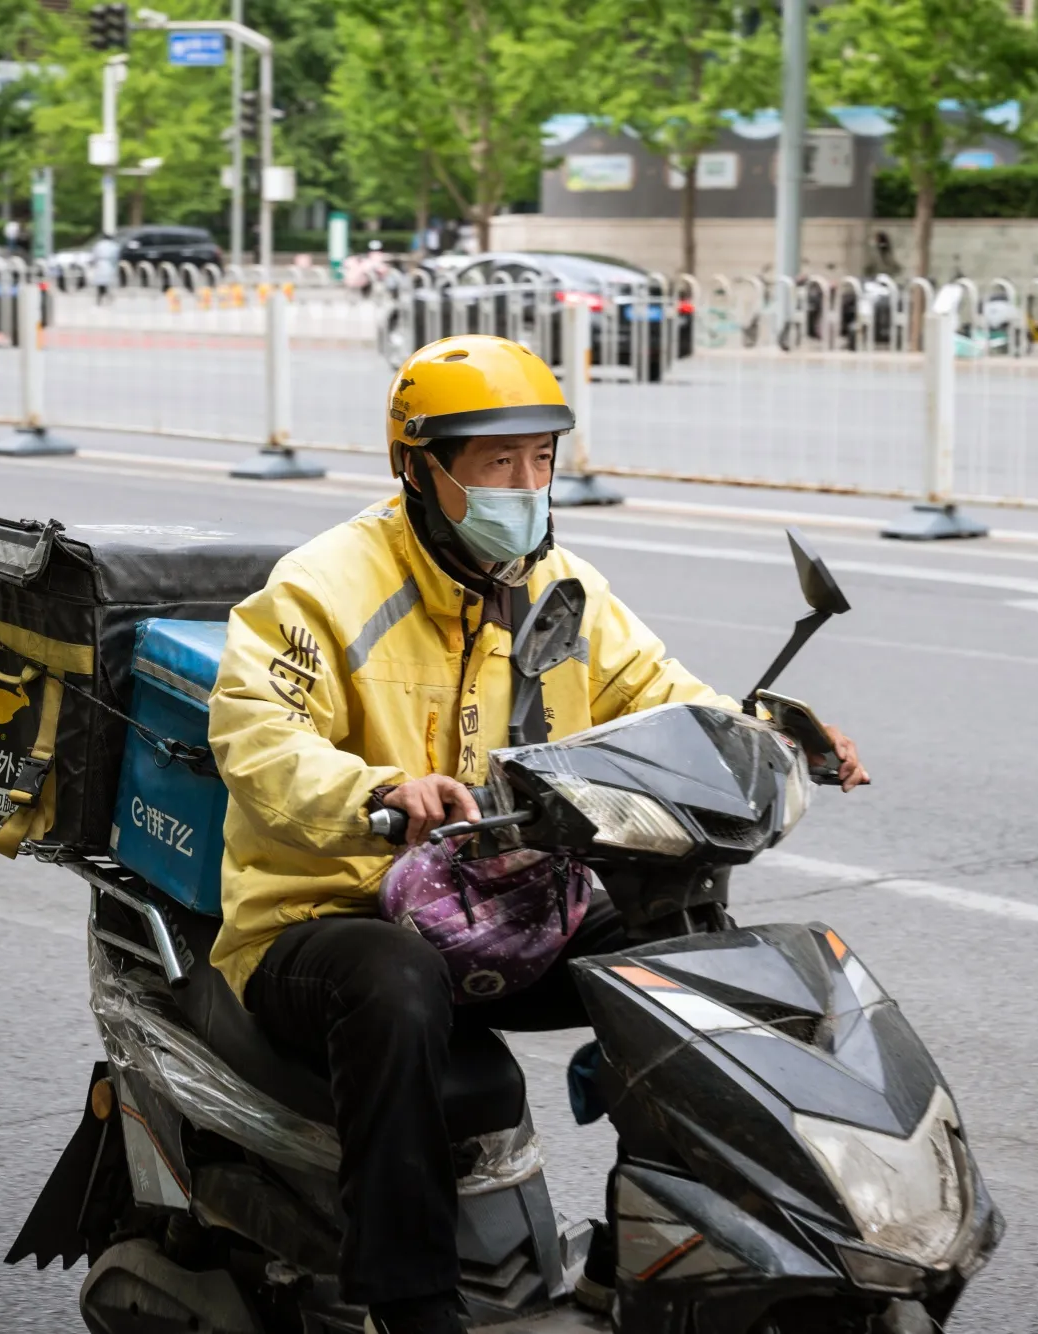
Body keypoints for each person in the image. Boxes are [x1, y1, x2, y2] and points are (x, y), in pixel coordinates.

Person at [198, 336, 867, 1334]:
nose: (524, 484)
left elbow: (662, 698)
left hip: (501, 907)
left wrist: (773, 735)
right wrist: (381, 791)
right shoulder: (323, 587)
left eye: (540, 458)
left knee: (684, 953)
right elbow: (258, 736)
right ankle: (409, 1302)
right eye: (495, 461)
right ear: (418, 466)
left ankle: (642, 1259)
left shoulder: (562, 588)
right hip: (322, 914)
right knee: (394, 983)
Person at [89, 231, 118, 305]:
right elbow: (116, 256)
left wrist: (93, 263)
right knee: (106, 282)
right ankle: (106, 295)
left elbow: (94, 255)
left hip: (100, 263)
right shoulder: (113, 245)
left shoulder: (99, 245)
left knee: (101, 282)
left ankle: (101, 297)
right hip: (109, 263)